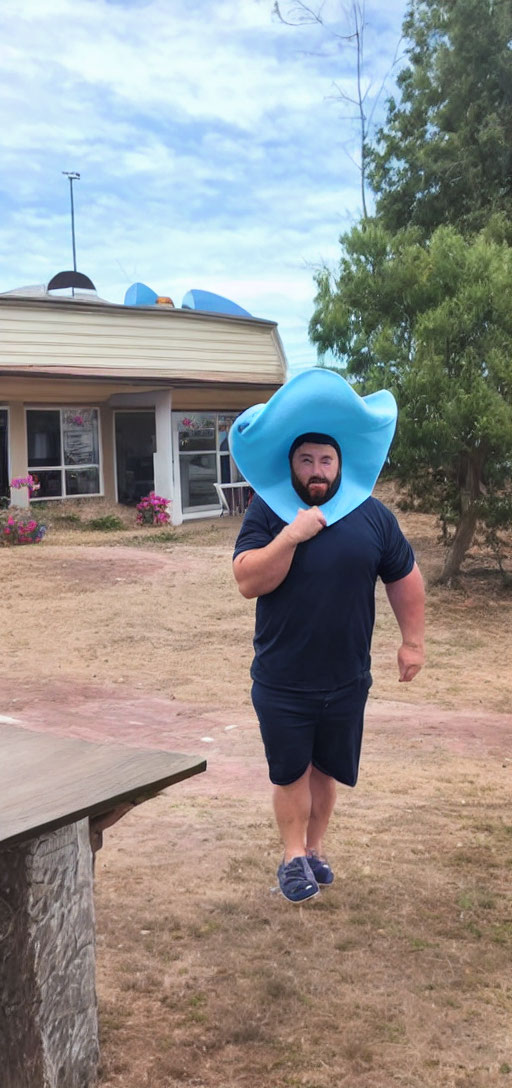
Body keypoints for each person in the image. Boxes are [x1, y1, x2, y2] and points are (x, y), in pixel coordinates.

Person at [229, 370, 425, 904]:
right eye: (306, 460)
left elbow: (405, 577)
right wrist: (291, 535)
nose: (317, 470)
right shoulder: (268, 512)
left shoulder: (374, 517)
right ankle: (292, 858)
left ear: (341, 465)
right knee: (291, 772)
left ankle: (314, 850)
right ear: (290, 465)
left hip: (346, 678)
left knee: (327, 770)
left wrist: (413, 641)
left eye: (326, 460)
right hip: (283, 678)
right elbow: (248, 580)